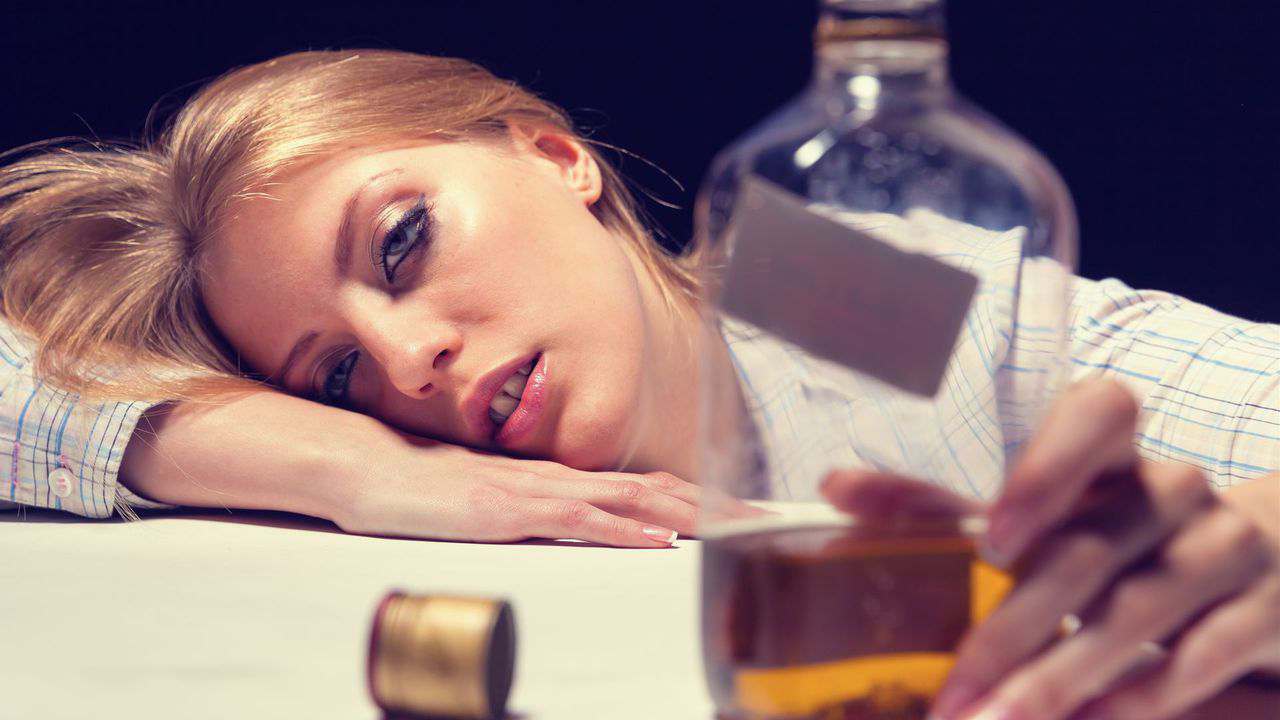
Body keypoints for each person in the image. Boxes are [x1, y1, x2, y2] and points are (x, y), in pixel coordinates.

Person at [0, 49, 1275, 719]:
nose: (401, 362)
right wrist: (345, 465)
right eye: (333, 373)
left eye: (401, 240)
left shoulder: (820, 283)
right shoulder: (407, 472)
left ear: (555, 157)